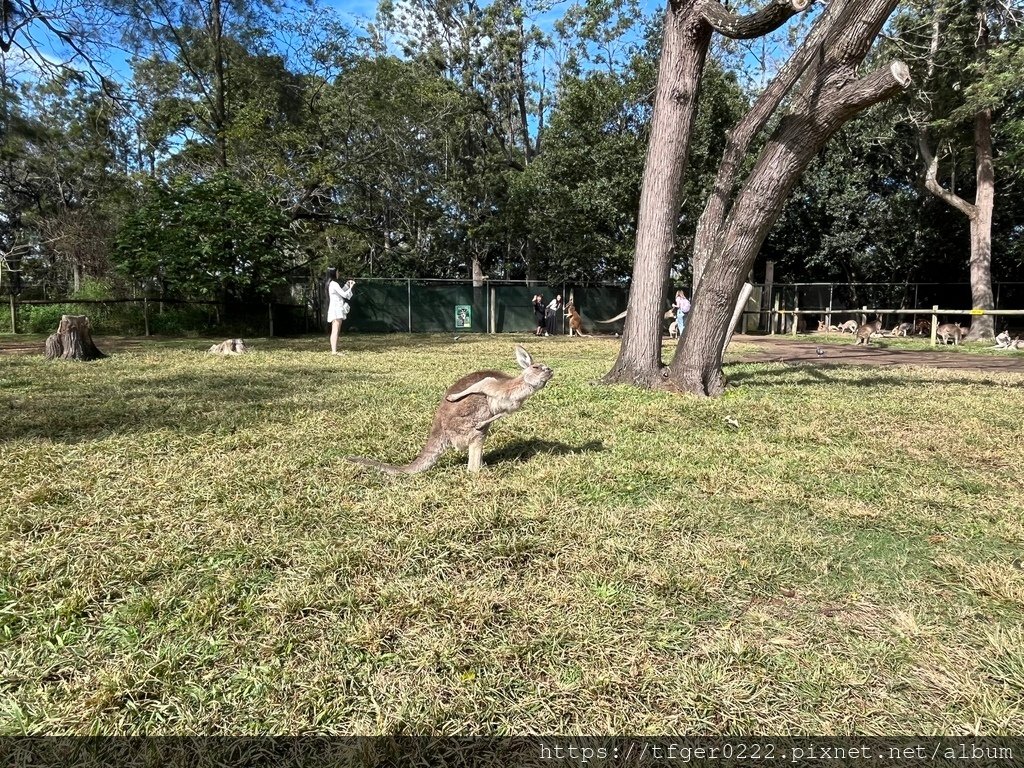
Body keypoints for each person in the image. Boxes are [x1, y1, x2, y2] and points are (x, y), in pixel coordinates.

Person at [325, 268, 355, 354]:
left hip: (337, 308)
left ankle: (335, 350)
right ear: (333, 273)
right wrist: (351, 287)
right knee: (335, 330)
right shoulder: (333, 284)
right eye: (337, 272)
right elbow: (345, 295)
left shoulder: (332, 284)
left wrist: (346, 285)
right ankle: (334, 351)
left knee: (337, 330)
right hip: (336, 309)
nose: (338, 273)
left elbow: (341, 292)